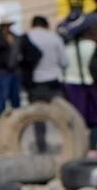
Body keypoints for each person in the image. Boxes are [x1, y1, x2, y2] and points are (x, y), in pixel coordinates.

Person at [60, 19, 97, 151]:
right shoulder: (91, 45)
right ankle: (92, 147)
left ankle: (77, 148)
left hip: (70, 87)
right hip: (89, 86)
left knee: (75, 121)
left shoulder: (65, 48)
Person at [23, 15, 69, 153]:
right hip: (53, 82)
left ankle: (41, 146)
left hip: (34, 83)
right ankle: (68, 146)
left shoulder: (27, 37)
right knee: (61, 115)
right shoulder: (55, 38)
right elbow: (65, 62)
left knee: (38, 117)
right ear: (46, 25)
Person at [0, 16, 23, 117]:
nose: (7, 28)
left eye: (8, 26)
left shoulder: (15, 37)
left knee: (15, 98)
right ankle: (1, 120)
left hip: (14, 71)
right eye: (5, 26)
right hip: (2, 71)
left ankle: (16, 120)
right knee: (2, 97)